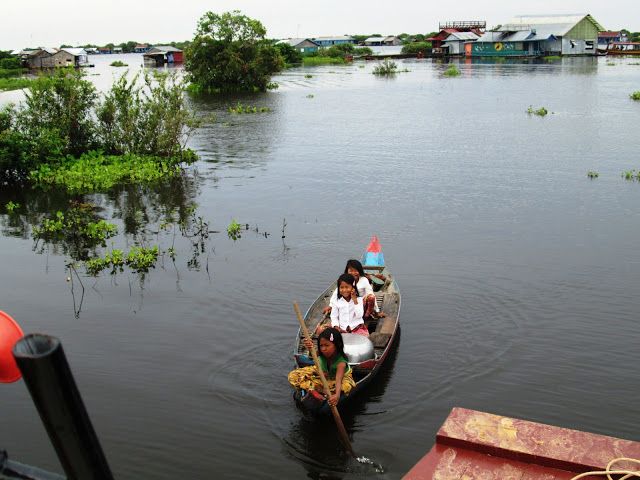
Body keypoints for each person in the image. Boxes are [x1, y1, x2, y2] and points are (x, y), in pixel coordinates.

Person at [288, 327, 355, 406]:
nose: (323, 349)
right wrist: (310, 348)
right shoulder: (321, 352)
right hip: (321, 373)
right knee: (293, 376)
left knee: (345, 387)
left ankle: (319, 390)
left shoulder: (341, 363)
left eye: (327, 345)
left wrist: (337, 395)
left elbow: (338, 380)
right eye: (321, 345)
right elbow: (312, 356)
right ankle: (315, 390)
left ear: (337, 345)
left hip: (337, 379)